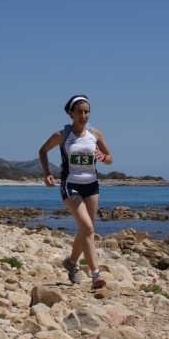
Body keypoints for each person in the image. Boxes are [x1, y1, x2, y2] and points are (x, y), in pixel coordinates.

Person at [39, 95, 113, 289]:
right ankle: (96, 276)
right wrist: (47, 173)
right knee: (88, 229)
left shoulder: (95, 133)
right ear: (71, 113)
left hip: (92, 185)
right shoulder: (62, 135)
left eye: (86, 111)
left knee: (86, 229)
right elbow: (43, 151)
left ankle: (71, 263)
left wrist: (103, 157)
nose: (83, 115)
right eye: (79, 111)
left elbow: (110, 158)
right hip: (70, 186)